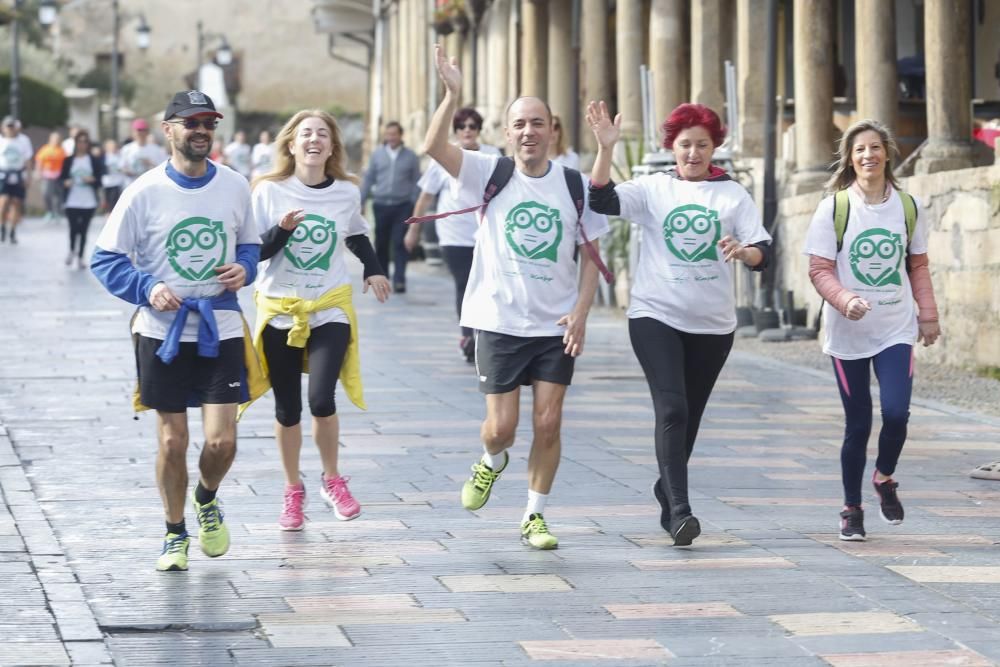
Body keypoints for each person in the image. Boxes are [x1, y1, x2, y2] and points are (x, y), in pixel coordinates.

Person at [424, 45, 609, 550]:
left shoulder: (575, 185)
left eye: (538, 122)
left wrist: (581, 312)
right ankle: (492, 460)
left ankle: (534, 515)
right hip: (497, 319)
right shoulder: (489, 172)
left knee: (548, 422)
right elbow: (434, 146)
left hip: (554, 326)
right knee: (500, 429)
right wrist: (451, 93)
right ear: (507, 134)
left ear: (552, 130)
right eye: (519, 124)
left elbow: (591, 254)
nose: (529, 131)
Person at [91, 90, 261, 572]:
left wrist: (244, 269)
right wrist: (147, 287)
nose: (201, 130)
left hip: (220, 326)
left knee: (221, 442)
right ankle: (173, 533)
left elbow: (250, 245)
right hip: (161, 331)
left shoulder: (234, 185)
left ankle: (206, 499)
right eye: (191, 123)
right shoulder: (142, 191)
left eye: (208, 122)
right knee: (172, 441)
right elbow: (104, 260)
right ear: (168, 130)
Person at [586, 101, 771, 546]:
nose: (693, 153)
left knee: (690, 419)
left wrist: (745, 253)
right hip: (656, 315)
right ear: (672, 147)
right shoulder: (652, 188)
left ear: (714, 148)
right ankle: (682, 512)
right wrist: (606, 149)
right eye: (685, 145)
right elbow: (602, 198)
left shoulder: (732, 194)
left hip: (712, 327)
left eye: (702, 145)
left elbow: (764, 249)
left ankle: (667, 489)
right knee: (673, 409)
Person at [251, 110, 391, 531]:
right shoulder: (267, 191)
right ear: (291, 144)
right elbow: (252, 251)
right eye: (306, 133)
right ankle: (293, 490)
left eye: (323, 135)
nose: (314, 140)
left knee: (321, 399)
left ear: (332, 147)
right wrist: (281, 231)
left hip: (329, 306)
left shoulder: (347, 191)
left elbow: (355, 233)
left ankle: (332, 479)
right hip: (279, 309)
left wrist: (373, 267)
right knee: (288, 408)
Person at [803, 119, 940, 541]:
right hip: (848, 336)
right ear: (850, 158)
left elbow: (917, 265)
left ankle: (883, 477)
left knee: (897, 413)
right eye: (860, 149)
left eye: (875, 148)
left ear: (887, 154)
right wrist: (845, 300)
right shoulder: (834, 207)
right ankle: (851, 508)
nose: (868, 155)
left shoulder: (909, 206)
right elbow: (819, 269)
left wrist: (928, 314)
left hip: (894, 328)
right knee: (858, 425)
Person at [404, 107, 501, 362]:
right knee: (465, 283)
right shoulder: (445, 157)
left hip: (488, 232)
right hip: (454, 234)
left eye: (472, 126)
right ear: (456, 131)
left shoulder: (493, 155)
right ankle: (468, 334)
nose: (467, 131)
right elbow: (426, 196)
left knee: (488, 285)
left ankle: (487, 333)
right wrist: (414, 229)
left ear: (479, 130)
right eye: (462, 127)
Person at [360, 121, 421, 293]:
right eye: (388, 134)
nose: (391, 137)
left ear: (400, 135)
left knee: (400, 242)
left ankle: (400, 279)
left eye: (394, 134)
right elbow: (369, 179)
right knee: (381, 243)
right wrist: (361, 201)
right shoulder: (377, 155)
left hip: (402, 205)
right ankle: (383, 277)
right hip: (380, 205)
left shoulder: (411, 156)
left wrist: (414, 202)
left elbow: (417, 181)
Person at [61, 130, 105, 269]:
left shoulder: (93, 160)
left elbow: (100, 180)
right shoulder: (68, 160)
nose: (82, 144)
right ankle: (71, 250)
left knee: (84, 229)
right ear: (75, 143)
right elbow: (61, 178)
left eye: (85, 141)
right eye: (79, 141)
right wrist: (66, 182)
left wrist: (92, 180)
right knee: (73, 228)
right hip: (72, 200)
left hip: (88, 201)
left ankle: (80, 256)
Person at [0, 116, 33, 244]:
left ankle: (13, 230)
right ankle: (2, 226)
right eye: (8, 127)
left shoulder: (23, 141)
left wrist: (29, 176)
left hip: (18, 173)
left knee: (16, 202)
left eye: (12, 126)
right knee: (4, 201)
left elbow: (28, 159)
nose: (10, 129)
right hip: (3, 173)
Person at [120, 118, 168, 186]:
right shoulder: (126, 149)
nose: (140, 133)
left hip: (150, 186)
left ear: (147, 132)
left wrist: (151, 163)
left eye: (143, 130)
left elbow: (164, 169)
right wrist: (131, 171)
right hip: (131, 185)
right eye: (138, 130)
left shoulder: (157, 149)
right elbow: (122, 167)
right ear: (133, 132)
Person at [36, 132, 67, 221]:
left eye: (57, 139)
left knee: (58, 195)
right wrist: (38, 172)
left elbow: (66, 163)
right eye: (54, 139)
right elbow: (39, 161)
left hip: (59, 175)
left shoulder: (61, 150)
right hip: (47, 175)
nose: (56, 141)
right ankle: (49, 211)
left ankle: (57, 212)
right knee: (46, 194)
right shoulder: (45, 149)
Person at [101, 139, 125, 212]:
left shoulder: (119, 156)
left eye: (114, 146)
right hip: (107, 182)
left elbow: (122, 167)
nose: (113, 148)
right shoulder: (104, 157)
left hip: (116, 182)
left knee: (114, 201)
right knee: (107, 201)